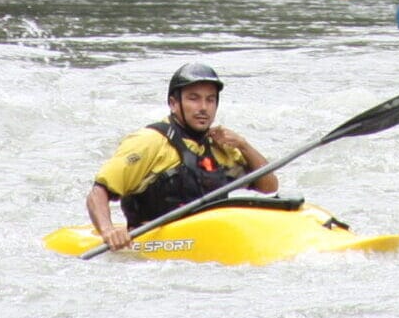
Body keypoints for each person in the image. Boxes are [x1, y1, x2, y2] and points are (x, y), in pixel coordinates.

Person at [85, 63, 277, 251]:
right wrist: (108, 230)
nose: (203, 108)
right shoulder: (149, 141)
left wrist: (244, 145)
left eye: (210, 100)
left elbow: (268, 187)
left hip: (210, 242)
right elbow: (98, 192)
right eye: (194, 99)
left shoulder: (221, 146)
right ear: (173, 103)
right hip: (158, 246)